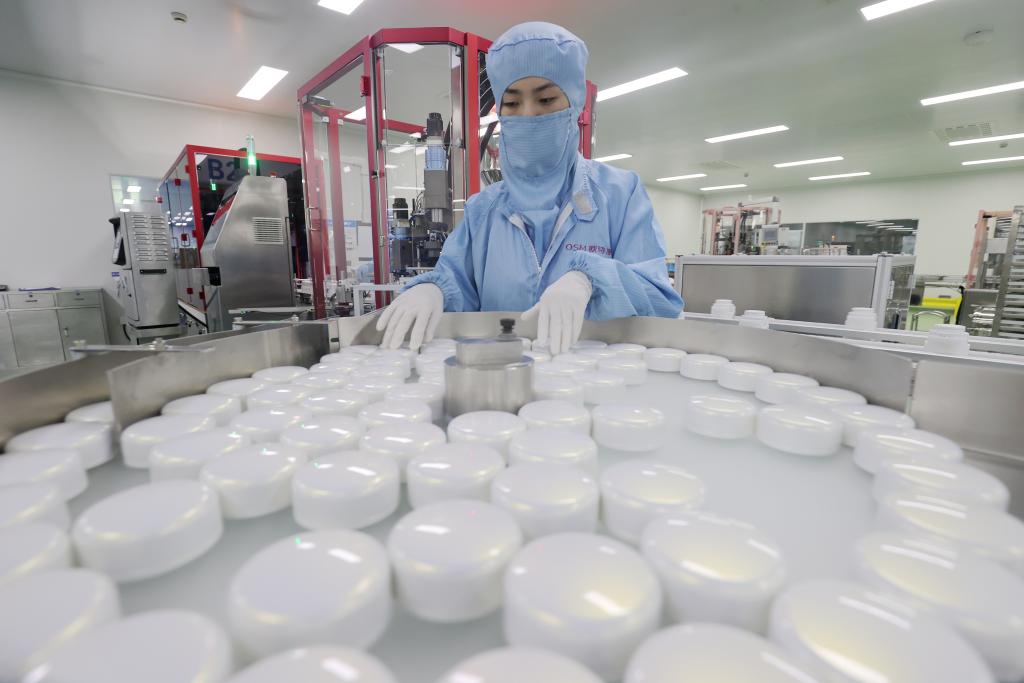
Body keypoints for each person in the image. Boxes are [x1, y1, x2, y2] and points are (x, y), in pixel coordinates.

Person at [377, 21, 683, 353]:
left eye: (546, 99)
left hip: (595, 379)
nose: (528, 115)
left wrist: (591, 279)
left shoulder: (620, 194)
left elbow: (659, 301)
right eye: (512, 104)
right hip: (503, 375)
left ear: (574, 103)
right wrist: (433, 290)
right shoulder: (483, 210)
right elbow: (457, 282)